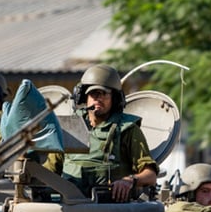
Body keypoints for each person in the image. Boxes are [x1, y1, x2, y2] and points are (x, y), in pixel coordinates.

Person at [42, 64, 158, 202]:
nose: (98, 98)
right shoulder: (70, 127)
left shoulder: (127, 129)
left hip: (111, 210)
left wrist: (129, 180)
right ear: (84, 97)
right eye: (93, 93)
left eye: (104, 94)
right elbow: (49, 172)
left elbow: (150, 175)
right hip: (71, 207)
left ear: (114, 99)